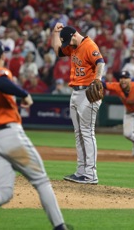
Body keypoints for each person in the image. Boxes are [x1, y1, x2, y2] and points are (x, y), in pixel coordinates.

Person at [0, 40, 70, 230]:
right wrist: (25, 94)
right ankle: (60, 227)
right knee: (41, 181)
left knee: (4, 190)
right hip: (9, 135)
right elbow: (1, 82)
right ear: (2, 56)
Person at [51, 24, 105, 185]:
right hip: (75, 92)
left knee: (87, 132)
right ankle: (81, 171)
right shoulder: (72, 45)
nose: (67, 45)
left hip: (88, 92)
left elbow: (100, 62)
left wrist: (97, 79)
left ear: (75, 35)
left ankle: (91, 174)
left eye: (68, 41)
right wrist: (55, 33)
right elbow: (58, 51)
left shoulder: (89, 45)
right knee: (78, 133)